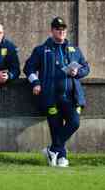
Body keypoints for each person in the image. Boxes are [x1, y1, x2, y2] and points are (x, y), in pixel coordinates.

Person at [24, 17, 90, 167]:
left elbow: (86, 68)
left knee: (74, 122)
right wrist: (35, 82)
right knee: (56, 128)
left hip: (70, 97)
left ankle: (52, 150)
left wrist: (77, 72)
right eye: (58, 29)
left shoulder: (74, 49)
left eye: (64, 30)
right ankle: (61, 157)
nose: (61, 32)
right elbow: (28, 69)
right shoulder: (41, 50)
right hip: (50, 97)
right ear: (52, 30)